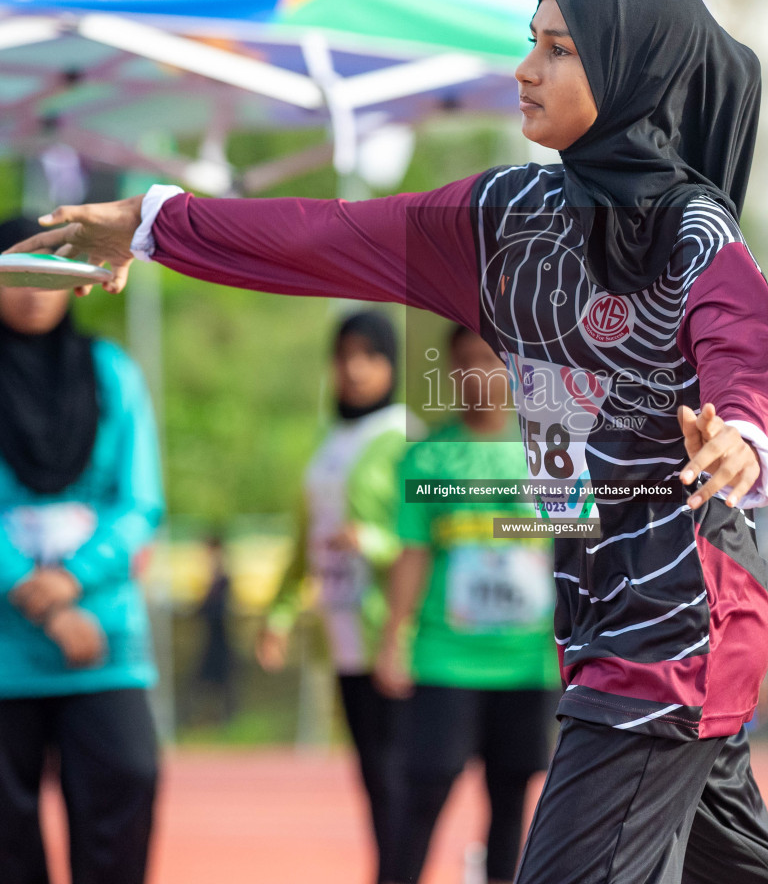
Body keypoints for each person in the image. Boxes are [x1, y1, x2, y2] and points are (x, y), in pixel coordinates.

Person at [12, 0, 768, 884]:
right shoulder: (503, 215)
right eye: (531, 44)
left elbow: (739, 337)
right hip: (599, 619)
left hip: (679, 622)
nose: (526, 69)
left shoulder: (692, 228)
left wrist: (744, 433)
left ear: (635, 71)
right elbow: (326, 236)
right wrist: (154, 224)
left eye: (559, 50)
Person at [0, 216, 165, 884]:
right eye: (15, 274)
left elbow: (140, 501)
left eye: (49, 274)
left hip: (102, 639)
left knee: (129, 779)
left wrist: (74, 582)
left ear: (77, 285)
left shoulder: (111, 373)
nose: (32, 291)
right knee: (8, 831)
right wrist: (50, 605)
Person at [374, 323, 559, 884]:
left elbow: (579, 548)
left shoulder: (551, 452)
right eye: (466, 363)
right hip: (444, 655)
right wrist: (392, 639)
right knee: (425, 788)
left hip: (529, 660)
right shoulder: (429, 457)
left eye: (491, 361)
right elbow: (412, 553)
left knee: (512, 797)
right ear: (451, 373)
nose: (479, 376)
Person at [254, 309, 414, 884]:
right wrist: (279, 612)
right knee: (373, 776)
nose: (353, 368)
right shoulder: (328, 441)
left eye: (368, 355)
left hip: (391, 634)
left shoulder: (404, 436)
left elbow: (424, 534)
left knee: (399, 779)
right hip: (341, 633)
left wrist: (371, 540)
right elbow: (305, 542)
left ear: (391, 364)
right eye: (344, 355)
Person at [190, 532, 238, 724]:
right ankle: (207, 720)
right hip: (213, 637)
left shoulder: (221, 578)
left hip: (220, 638)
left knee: (219, 681)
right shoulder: (214, 577)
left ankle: (222, 719)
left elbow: (213, 605)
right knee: (207, 681)